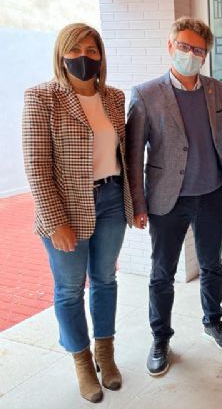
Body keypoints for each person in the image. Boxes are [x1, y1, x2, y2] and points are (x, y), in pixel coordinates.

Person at [126, 16, 222, 377]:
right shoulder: (146, 95)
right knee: (162, 273)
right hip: (167, 200)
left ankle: (213, 321)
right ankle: (160, 338)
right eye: (184, 46)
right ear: (170, 46)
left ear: (205, 54)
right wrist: (137, 204)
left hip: (212, 194)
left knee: (212, 264)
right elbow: (133, 156)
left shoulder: (217, 90)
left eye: (199, 50)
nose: (191, 55)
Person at [22, 23, 133, 403]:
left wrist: (136, 204)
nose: (83, 57)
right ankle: (82, 361)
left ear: (101, 56)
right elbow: (37, 165)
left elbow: (124, 155)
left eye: (91, 50)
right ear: (61, 54)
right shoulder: (42, 97)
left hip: (112, 199)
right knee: (70, 289)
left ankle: (105, 352)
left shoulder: (114, 97)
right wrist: (55, 222)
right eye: (75, 50)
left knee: (105, 279)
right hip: (66, 207)